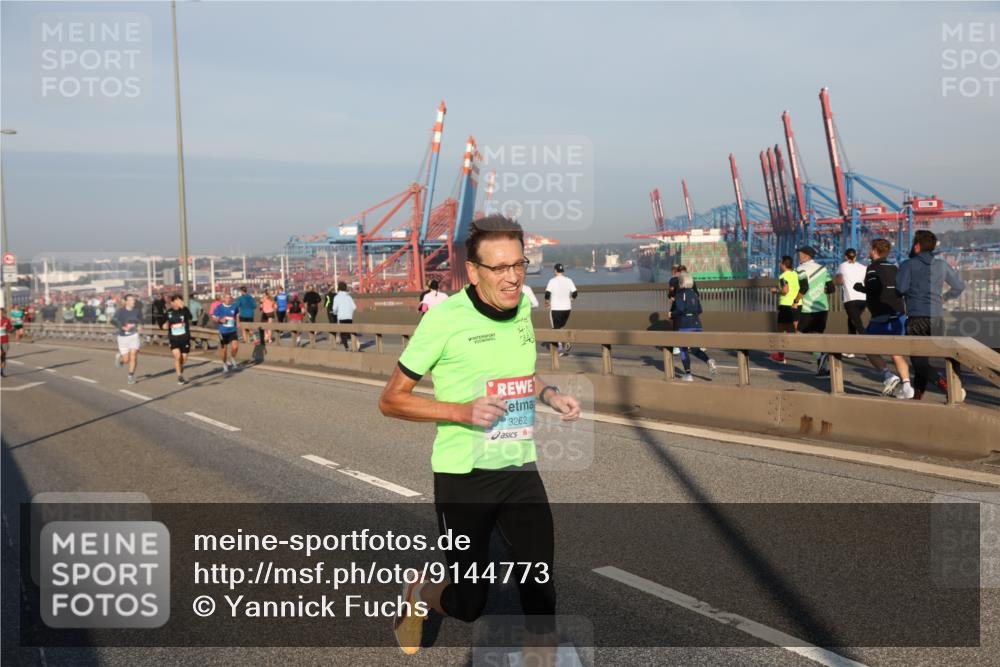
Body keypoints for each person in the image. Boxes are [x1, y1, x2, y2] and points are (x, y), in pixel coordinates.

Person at [379, 215, 580, 657]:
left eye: (518, 265)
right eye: (499, 268)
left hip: (519, 468)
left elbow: (518, 374)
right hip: (463, 478)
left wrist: (549, 394)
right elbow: (391, 399)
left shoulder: (524, 306)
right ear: (473, 271)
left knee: (540, 589)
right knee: (471, 603)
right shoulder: (444, 320)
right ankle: (420, 595)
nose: (512, 278)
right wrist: (461, 411)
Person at [897, 229, 966, 400]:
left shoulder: (908, 264)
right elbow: (959, 286)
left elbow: (900, 289)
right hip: (937, 318)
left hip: (916, 318)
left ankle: (948, 387)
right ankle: (918, 396)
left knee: (919, 362)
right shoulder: (942, 265)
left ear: (917, 246)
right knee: (924, 360)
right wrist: (945, 298)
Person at [852, 238, 914, 399]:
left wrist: (860, 288)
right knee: (897, 352)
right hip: (898, 312)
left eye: (869, 249)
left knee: (867, 346)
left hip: (880, 314)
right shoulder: (894, 267)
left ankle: (888, 375)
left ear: (874, 250)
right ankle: (907, 386)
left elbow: (874, 287)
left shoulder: (872, 268)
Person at [795, 246, 835, 377]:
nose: (799, 256)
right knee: (817, 335)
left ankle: (821, 355)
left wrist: (795, 301)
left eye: (800, 254)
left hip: (808, 308)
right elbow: (831, 288)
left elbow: (804, 287)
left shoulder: (800, 269)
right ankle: (822, 369)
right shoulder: (823, 269)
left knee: (800, 336)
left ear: (806, 256)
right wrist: (820, 291)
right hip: (823, 307)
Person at [673, 271, 717, 381]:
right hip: (697, 324)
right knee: (695, 349)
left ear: (681, 283)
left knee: (683, 349)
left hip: (685, 325)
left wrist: (671, 314)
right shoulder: (694, 294)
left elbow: (680, 310)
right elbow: (699, 310)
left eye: (679, 282)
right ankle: (708, 360)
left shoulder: (680, 294)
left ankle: (688, 374)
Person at [835, 248, 868, 358]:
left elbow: (838, 281)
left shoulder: (842, 266)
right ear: (855, 256)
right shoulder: (863, 267)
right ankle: (850, 350)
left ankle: (871, 349)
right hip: (863, 299)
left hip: (850, 299)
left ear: (845, 256)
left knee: (857, 323)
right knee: (851, 321)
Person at [769, 255, 800, 363]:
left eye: (780, 263)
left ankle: (780, 356)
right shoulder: (796, 274)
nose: (779, 265)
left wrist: (775, 291)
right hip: (797, 304)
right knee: (799, 330)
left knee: (781, 331)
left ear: (783, 265)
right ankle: (817, 353)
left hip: (786, 305)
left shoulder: (783, 276)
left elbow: (785, 290)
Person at [544, 263, 577, 356]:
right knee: (561, 327)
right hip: (567, 309)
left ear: (555, 271)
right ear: (563, 271)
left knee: (555, 329)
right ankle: (566, 341)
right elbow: (575, 293)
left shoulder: (552, 281)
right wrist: (571, 299)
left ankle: (560, 348)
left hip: (556, 308)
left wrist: (546, 303)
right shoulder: (569, 280)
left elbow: (547, 294)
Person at [112, 294, 143, 384]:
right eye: (131, 300)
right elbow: (113, 321)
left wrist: (140, 325)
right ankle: (120, 357)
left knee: (134, 355)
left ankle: (130, 376)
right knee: (126, 360)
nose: (133, 301)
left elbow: (140, 321)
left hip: (134, 336)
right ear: (126, 302)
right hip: (122, 337)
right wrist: (122, 327)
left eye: (134, 300)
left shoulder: (137, 311)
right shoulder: (120, 311)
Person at [162, 294, 193, 384]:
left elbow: (190, 318)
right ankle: (179, 376)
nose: (180, 302)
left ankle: (180, 366)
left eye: (181, 300)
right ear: (172, 302)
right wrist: (164, 325)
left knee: (184, 359)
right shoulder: (168, 312)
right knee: (177, 356)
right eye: (178, 301)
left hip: (185, 338)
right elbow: (163, 324)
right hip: (174, 338)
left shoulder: (185, 310)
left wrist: (183, 308)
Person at [211, 292, 240, 373]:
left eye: (229, 298)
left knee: (235, 347)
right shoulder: (219, 307)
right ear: (223, 299)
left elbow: (237, 314)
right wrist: (220, 320)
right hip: (223, 331)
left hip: (232, 330)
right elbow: (213, 317)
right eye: (226, 298)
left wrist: (238, 322)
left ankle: (232, 358)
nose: (228, 299)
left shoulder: (234, 306)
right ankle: (224, 364)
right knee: (224, 350)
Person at [331, 281, 358, 351]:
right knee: (350, 332)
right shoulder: (349, 297)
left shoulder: (336, 297)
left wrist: (334, 312)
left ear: (338, 288)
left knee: (343, 334)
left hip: (341, 318)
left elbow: (334, 309)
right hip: (349, 317)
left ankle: (347, 347)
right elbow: (354, 307)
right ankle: (355, 345)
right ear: (345, 288)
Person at [0, 308, 12, 377]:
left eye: (1, 313)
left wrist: (12, 329)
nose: (0, 314)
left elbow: (10, 329)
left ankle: (1, 371)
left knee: (3, 356)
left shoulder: (6, 320)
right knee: (0, 354)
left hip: (5, 340)